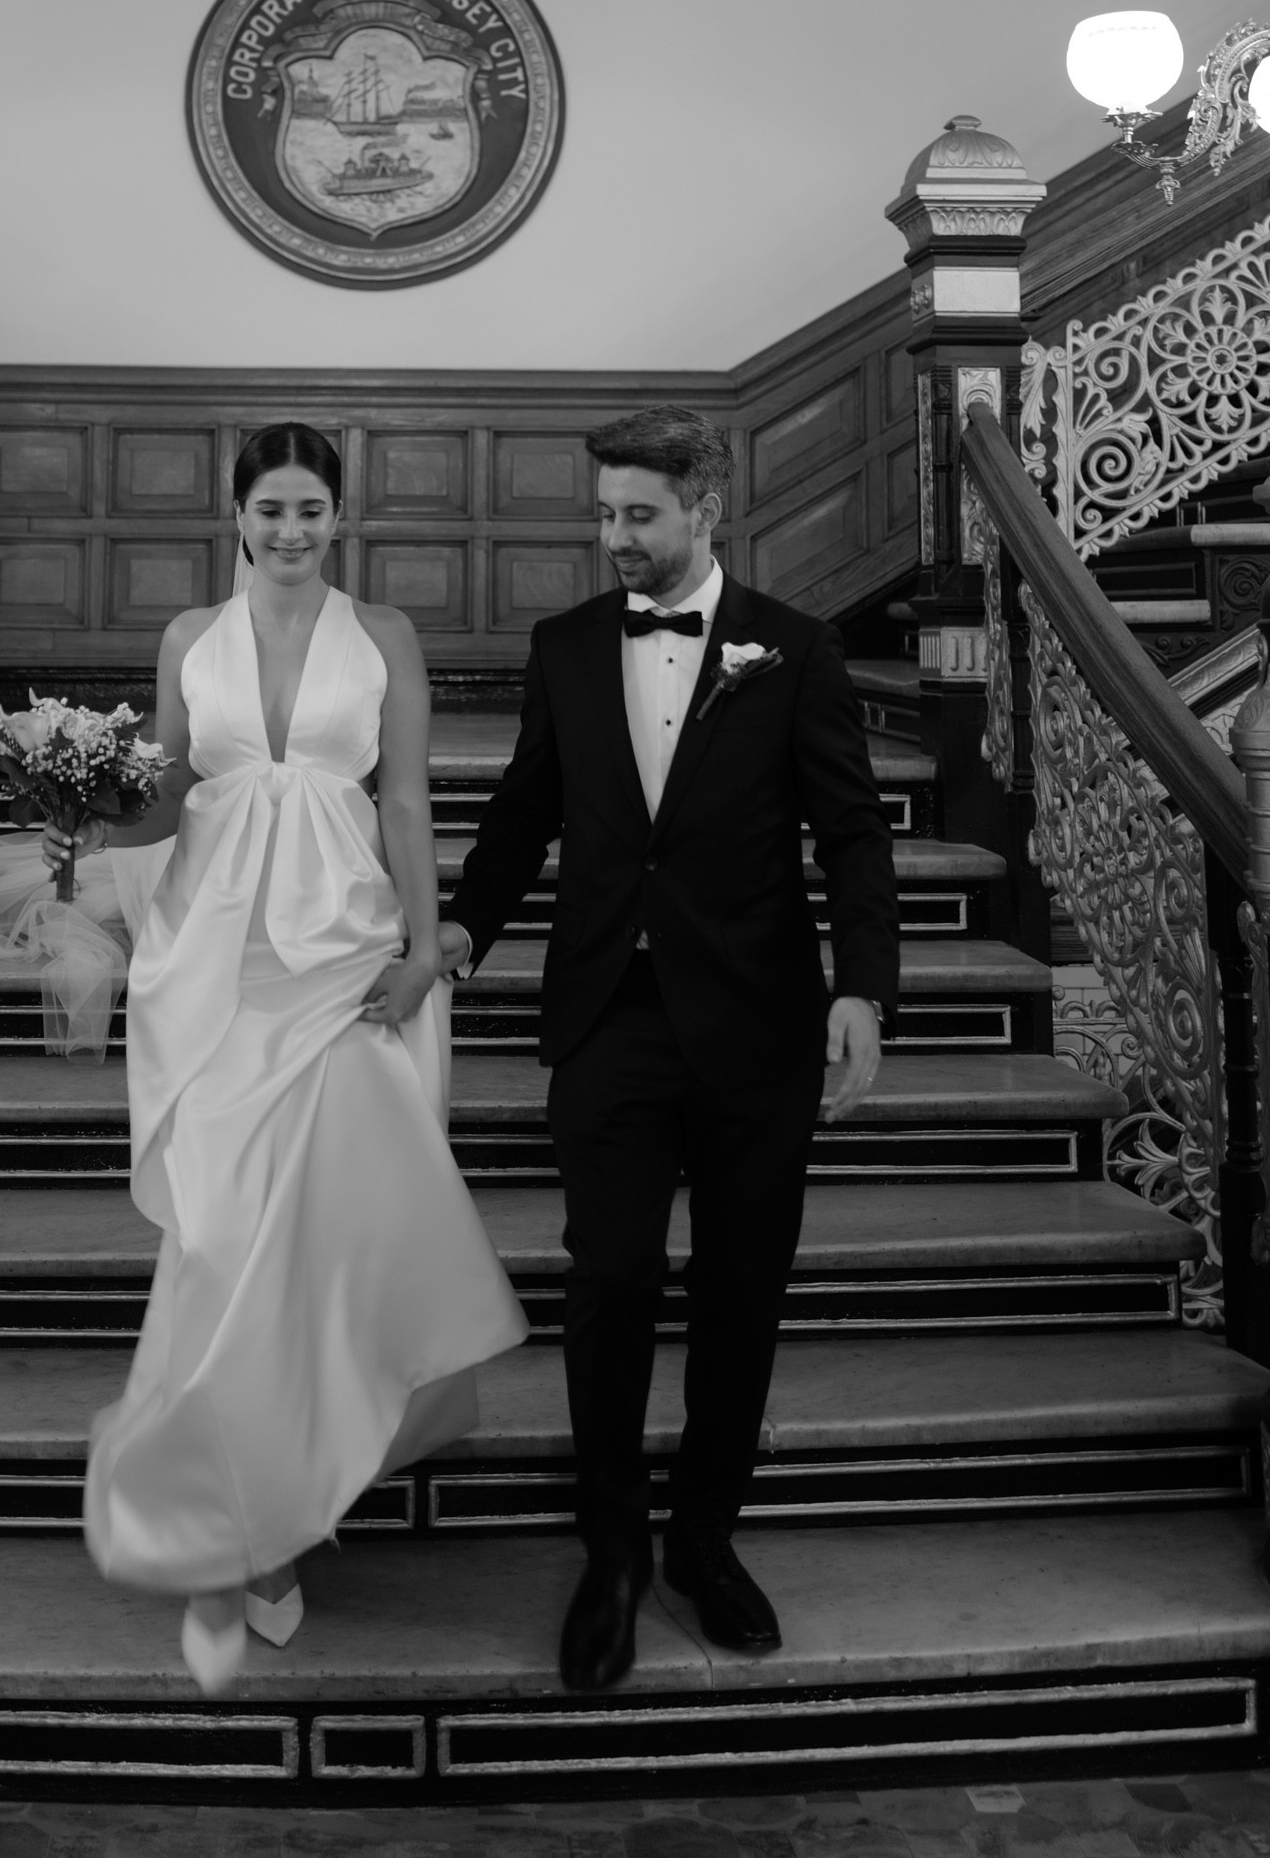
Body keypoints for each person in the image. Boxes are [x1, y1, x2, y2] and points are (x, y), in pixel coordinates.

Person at [439, 406, 899, 1694]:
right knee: (612, 1279)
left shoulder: (793, 651)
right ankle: (610, 1552)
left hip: (757, 1024)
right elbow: (524, 811)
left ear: (705, 511)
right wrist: (463, 930)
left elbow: (853, 836)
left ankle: (704, 1535)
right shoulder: (567, 646)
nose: (614, 539)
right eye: (603, 516)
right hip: (608, 1020)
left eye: (638, 515)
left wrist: (863, 989)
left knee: (742, 1292)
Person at [79, 422, 527, 1690]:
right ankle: (235, 1507)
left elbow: (403, 796)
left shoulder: (382, 636)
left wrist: (429, 944)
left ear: (340, 519)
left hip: (343, 962)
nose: (288, 530)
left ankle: (285, 1503)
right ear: (235, 515)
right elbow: (165, 793)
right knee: (221, 1245)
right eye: (269, 509)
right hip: (211, 968)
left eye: (310, 511)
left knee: (321, 1238)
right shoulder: (184, 640)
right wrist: (82, 805)